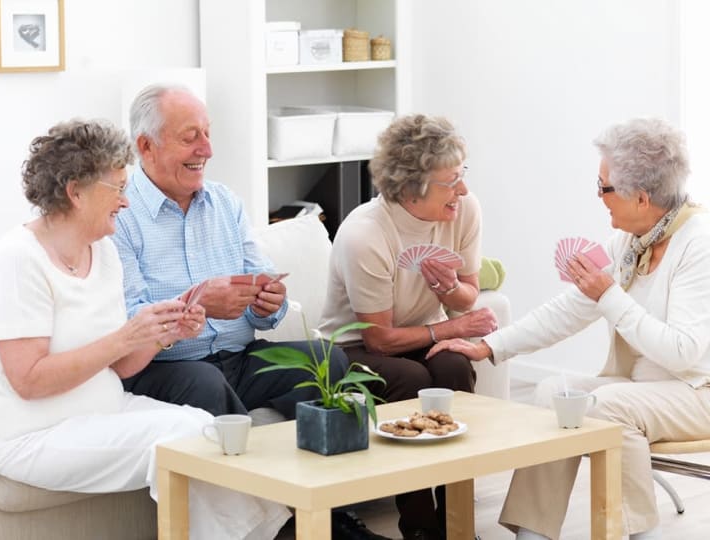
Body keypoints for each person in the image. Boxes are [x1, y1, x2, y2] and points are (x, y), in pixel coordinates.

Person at [0, 119, 290, 539]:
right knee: (185, 435)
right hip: (36, 434)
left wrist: (165, 331)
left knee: (212, 429)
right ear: (75, 192)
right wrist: (124, 337)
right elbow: (29, 380)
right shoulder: (18, 259)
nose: (127, 203)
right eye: (117, 189)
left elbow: (125, 367)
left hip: (109, 410)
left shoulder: (104, 253)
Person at [113, 84, 387, 540]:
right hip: (166, 366)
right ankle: (279, 526)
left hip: (239, 357)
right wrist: (195, 305)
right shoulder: (120, 216)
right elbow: (131, 318)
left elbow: (261, 279)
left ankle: (333, 512)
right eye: (190, 137)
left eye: (208, 133)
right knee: (206, 382)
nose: (207, 149)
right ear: (146, 145)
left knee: (327, 359)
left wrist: (268, 304)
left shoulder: (224, 202)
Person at [428, 117, 710, 540]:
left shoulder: (698, 243)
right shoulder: (632, 242)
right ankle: (532, 534)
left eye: (604, 187)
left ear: (642, 197)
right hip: (644, 386)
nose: (599, 197)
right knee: (549, 395)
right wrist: (489, 346)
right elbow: (570, 309)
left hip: (696, 390)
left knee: (608, 406)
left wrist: (610, 295)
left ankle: (637, 533)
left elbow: (685, 352)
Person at [318, 114, 498, 540]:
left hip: (418, 332)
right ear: (411, 187)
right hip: (354, 346)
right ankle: (419, 526)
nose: (463, 190)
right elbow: (378, 338)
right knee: (412, 378)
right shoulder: (366, 234)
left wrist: (452, 291)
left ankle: (456, 520)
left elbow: (469, 292)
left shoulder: (464, 210)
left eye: (462, 175)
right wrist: (449, 330)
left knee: (453, 367)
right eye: (451, 181)